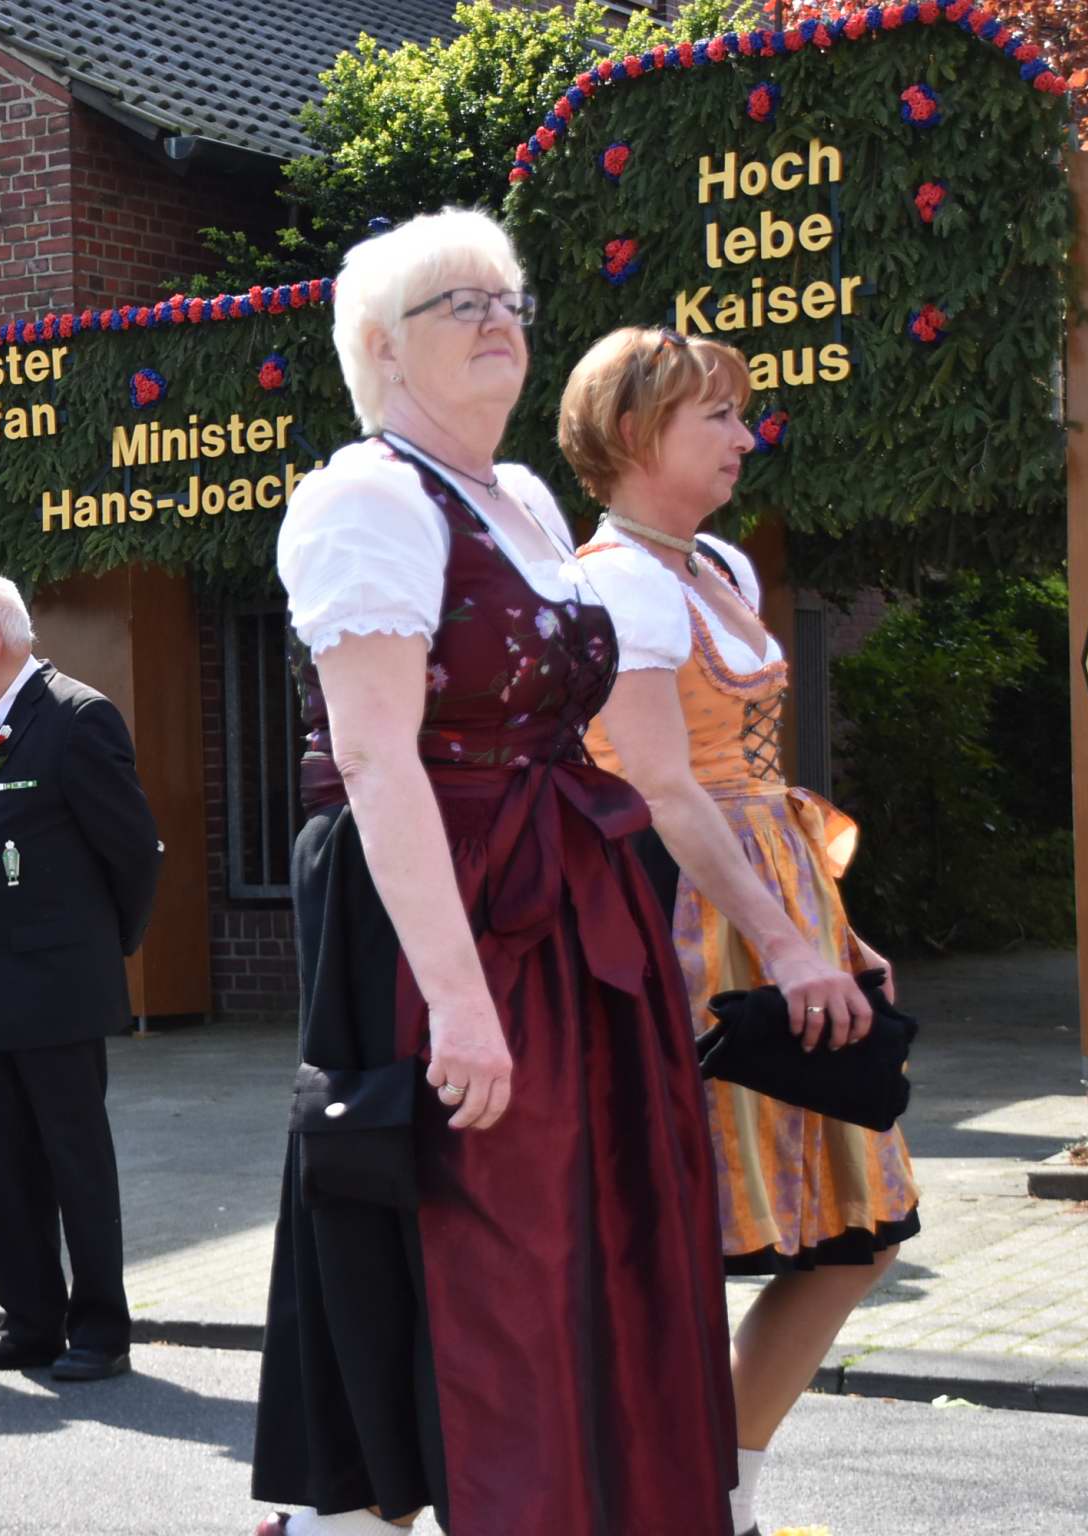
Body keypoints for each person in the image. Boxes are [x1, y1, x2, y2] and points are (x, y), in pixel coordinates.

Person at [247, 212, 736, 1536]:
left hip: (561, 899)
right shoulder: (364, 499)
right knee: (487, 1243)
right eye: (456, 303)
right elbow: (373, 758)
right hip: (445, 910)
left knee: (589, 1224)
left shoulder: (519, 498)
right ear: (377, 347)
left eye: (507, 298)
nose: (496, 320)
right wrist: (458, 1003)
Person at [561, 326, 919, 1536]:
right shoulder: (617, 582)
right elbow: (664, 791)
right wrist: (793, 946)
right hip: (679, 920)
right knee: (684, 1236)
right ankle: (671, 1499)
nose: (744, 435)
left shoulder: (716, 562)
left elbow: (755, 788)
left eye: (740, 412)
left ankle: (720, 1493)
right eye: (714, 414)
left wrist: (834, 931)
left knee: (857, 1229)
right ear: (631, 431)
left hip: (774, 894)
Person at [0, 573, 160, 1384]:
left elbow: (133, 853)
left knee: (73, 1164)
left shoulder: (77, 716)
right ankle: (29, 1324)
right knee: (2, 1167)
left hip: (54, 994)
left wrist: (96, 950)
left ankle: (100, 1330)